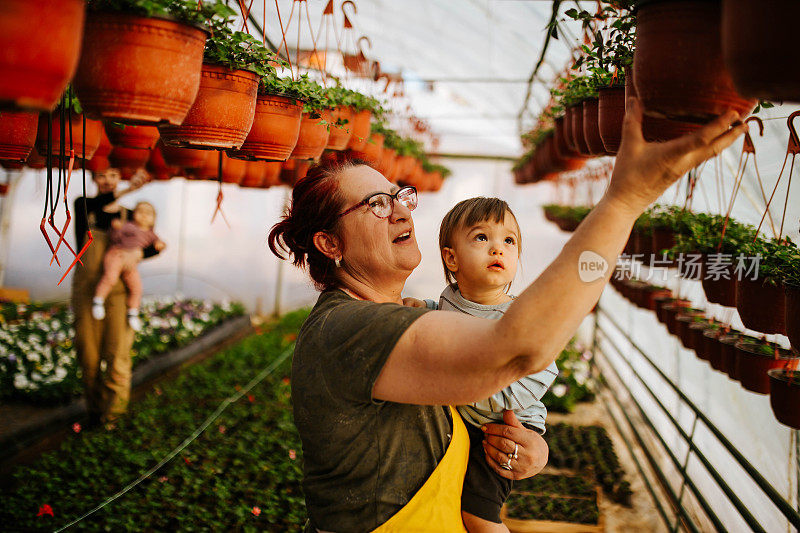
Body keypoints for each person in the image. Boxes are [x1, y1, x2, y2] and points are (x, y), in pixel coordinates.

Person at [267, 99, 746, 532]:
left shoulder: (403, 315)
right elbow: (519, 350)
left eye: (399, 196)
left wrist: (524, 445)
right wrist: (623, 203)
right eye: (375, 204)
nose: (400, 212)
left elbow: (489, 395)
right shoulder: (350, 329)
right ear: (329, 244)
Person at [405, 197, 558, 532]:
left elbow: (542, 370)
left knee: (478, 516)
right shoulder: (450, 298)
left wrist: (471, 391)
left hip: (503, 427)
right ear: (451, 258)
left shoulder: (520, 318)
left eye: (508, 241)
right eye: (481, 238)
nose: (497, 249)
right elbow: (446, 318)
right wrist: (425, 307)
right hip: (466, 417)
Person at [72, 168, 160, 427]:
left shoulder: (130, 215)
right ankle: (94, 413)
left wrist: (139, 255)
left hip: (119, 294)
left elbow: (153, 244)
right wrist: (129, 190)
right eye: (102, 175)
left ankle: (114, 417)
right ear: (94, 179)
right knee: (88, 357)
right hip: (87, 292)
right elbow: (100, 203)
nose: (108, 180)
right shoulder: (83, 206)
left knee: (118, 355)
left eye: (113, 174)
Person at [91, 201, 166, 332]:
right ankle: (98, 300)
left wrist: (160, 244)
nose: (144, 215)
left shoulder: (151, 234)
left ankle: (133, 311)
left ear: (154, 219)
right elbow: (114, 238)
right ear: (134, 214)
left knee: (137, 288)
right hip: (117, 254)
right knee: (110, 277)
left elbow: (158, 245)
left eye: (148, 213)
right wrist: (116, 229)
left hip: (131, 264)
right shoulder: (129, 226)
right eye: (140, 211)